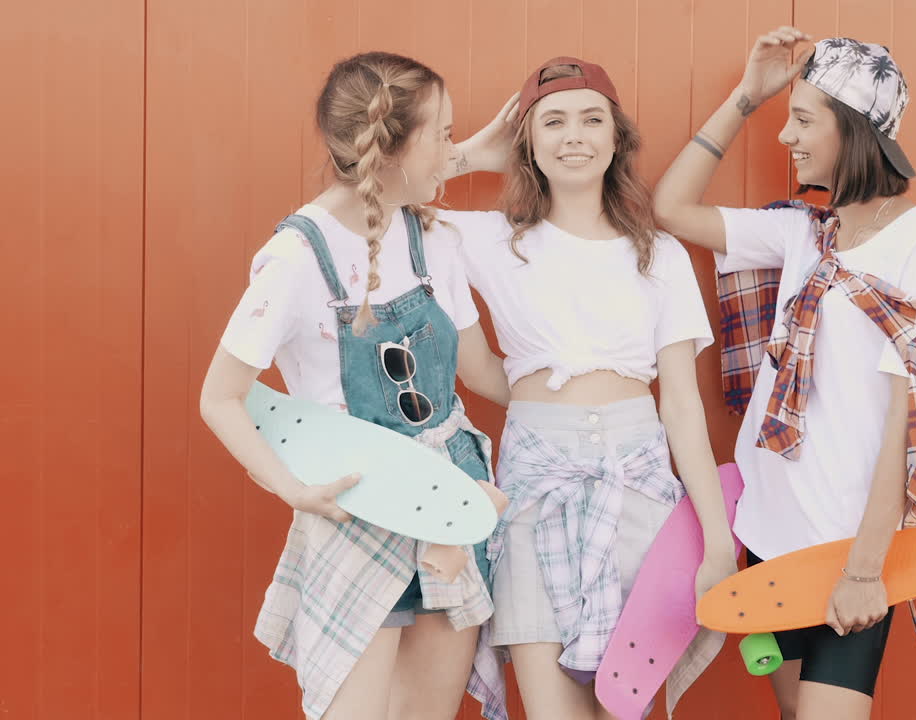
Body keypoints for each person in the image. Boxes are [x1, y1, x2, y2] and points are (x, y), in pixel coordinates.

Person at [653, 29, 916, 720]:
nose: (786, 137)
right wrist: (745, 96)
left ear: (854, 130)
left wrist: (863, 568)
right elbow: (668, 209)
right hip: (768, 535)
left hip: (851, 543)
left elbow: (905, 423)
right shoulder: (804, 232)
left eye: (802, 118)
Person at [198, 51, 517, 720]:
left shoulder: (431, 235)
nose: (455, 152)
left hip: (449, 500)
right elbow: (220, 396)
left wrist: (584, 390)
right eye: (446, 135)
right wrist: (290, 488)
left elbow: (482, 372)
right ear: (394, 147)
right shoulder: (297, 258)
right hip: (357, 506)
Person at [438, 56, 739, 720]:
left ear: (616, 137)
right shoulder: (487, 240)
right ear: (529, 143)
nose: (574, 136)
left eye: (590, 119)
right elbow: (374, 207)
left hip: (639, 482)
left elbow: (682, 408)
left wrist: (718, 540)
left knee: (620, 710)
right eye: (553, 122)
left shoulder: (657, 256)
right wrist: (467, 157)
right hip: (536, 484)